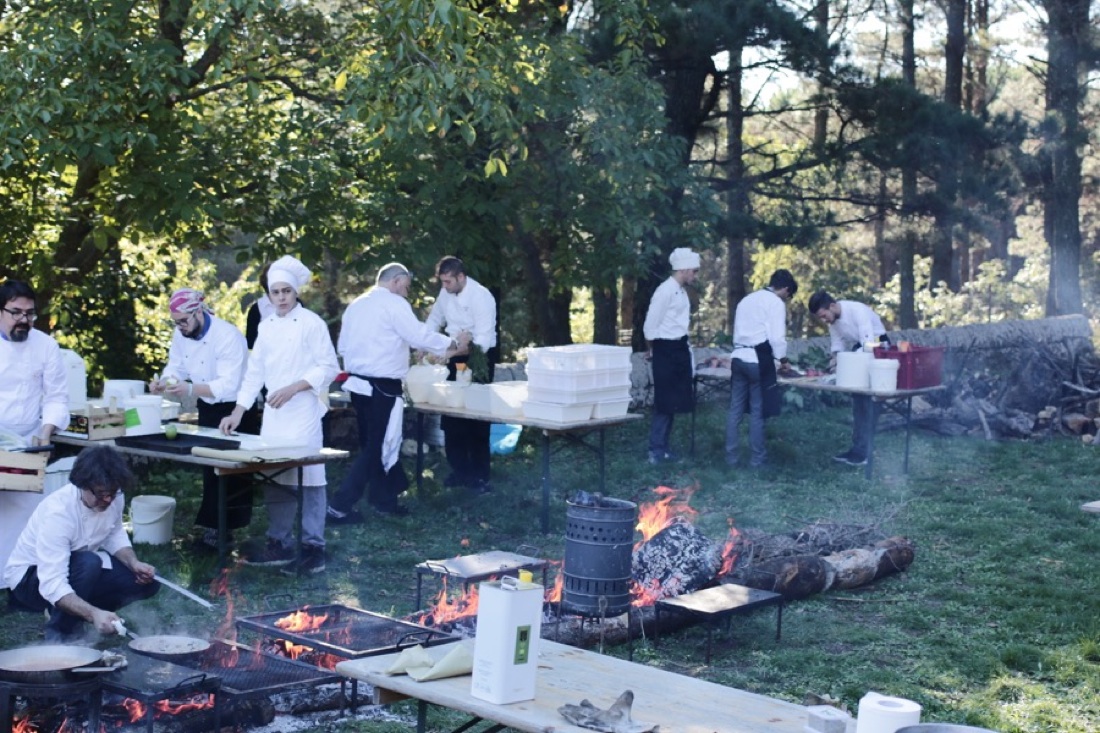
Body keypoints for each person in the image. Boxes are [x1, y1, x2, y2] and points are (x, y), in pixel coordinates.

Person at [219, 255, 339, 575]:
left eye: (287, 291)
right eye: (276, 292)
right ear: (269, 295)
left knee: (310, 476)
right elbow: (254, 372)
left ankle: (314, 547)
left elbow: (329, 366)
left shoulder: (312, 323)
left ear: (296, 292)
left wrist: (295, 387)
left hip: (303, 411)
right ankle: (279, 541)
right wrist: (237, 411)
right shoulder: (266, 326)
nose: (282, 298)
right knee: (276, 474)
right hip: (274, 415)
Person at [329, 262, 468, 523]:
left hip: (358, 386)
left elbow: (343, 347)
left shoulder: (356, 305)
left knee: (373, 443)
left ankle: (384, 500)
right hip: (382, 386)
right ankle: (339, 506)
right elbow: (418, 335)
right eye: (405, 286)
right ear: (395, 281)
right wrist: (452, 343)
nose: (407, 292)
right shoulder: (393, 304)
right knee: (378, 446)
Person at [4, 445, 159, 643]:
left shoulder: (113, 495)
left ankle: (81, 612)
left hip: (77, 569)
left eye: (113, 493)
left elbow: (114, 534)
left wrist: (133, 563)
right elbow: (52, 583)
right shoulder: (58, 514)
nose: (108, 499)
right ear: (82, 485)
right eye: (102, 494)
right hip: (30, 580)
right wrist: (93, 613)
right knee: (89, 563)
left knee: (149, 582)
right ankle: (61, 634)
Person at [150, 287, 251, 549]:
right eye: (176, 322)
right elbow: (176, 366)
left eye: (184, 320)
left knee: (234, 469)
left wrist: (191, 389)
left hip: (237, 408)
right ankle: (212, 531)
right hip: (208, 406)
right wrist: (163, 381)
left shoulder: (227, 335)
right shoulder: (181, 333)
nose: (180, 327)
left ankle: (228, 531)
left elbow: (229, 385)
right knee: (210, 466)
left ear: (199, 312)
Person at [0, 279, 70, 580]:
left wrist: (46, 431)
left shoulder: (45, 345)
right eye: (16, 312)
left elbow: (57, 397)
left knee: (25, 514)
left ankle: (17, 581)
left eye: (29, 313)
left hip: (28, 440)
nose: (23, 320)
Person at [425, 256, 498, 493]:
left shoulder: (481, 296)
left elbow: (484, 342)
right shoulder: (445, 294)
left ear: (461, 277)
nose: (444, 287)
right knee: (452, 415)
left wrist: (453, 350)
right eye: (442, 282)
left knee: (476, 416)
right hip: (454, 354)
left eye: (448, 282)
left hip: (478, 358)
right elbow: (435, 319)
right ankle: (460, 470)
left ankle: (480, 476)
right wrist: (423, 343)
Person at [725, 269, 798, 468]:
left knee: (735, 410)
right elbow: (776, 338)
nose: (786, 298)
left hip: (738, 356)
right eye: (788, 295)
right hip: (758, 359)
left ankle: (730, 458)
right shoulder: (775, 302)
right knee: (758, 411)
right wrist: (783, 360)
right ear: (785, 288)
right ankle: (757, 460)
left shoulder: (747, 299)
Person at [808, 290, 889, 466]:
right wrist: (834, 360)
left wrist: (849, 363)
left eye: (824, 315)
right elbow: (837, 344)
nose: (824, 320)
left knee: (868, 403)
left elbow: (868, 343)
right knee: (857, 400)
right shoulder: (834, 322)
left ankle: (864, 452)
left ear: (832, 306)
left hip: (878, 346)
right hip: (860, 349)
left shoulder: (857, 310)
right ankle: (857, 449)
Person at [643, 248, 700, 465]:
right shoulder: (664, 291)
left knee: (674, 401)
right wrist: (651, 348)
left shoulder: (681, 291)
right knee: (664, 401)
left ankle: (664, 448)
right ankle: (655, 449)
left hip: (679, 348)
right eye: (694, 271)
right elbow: (650, 325)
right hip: (665, 349)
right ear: (684, 270)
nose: (695, 276)